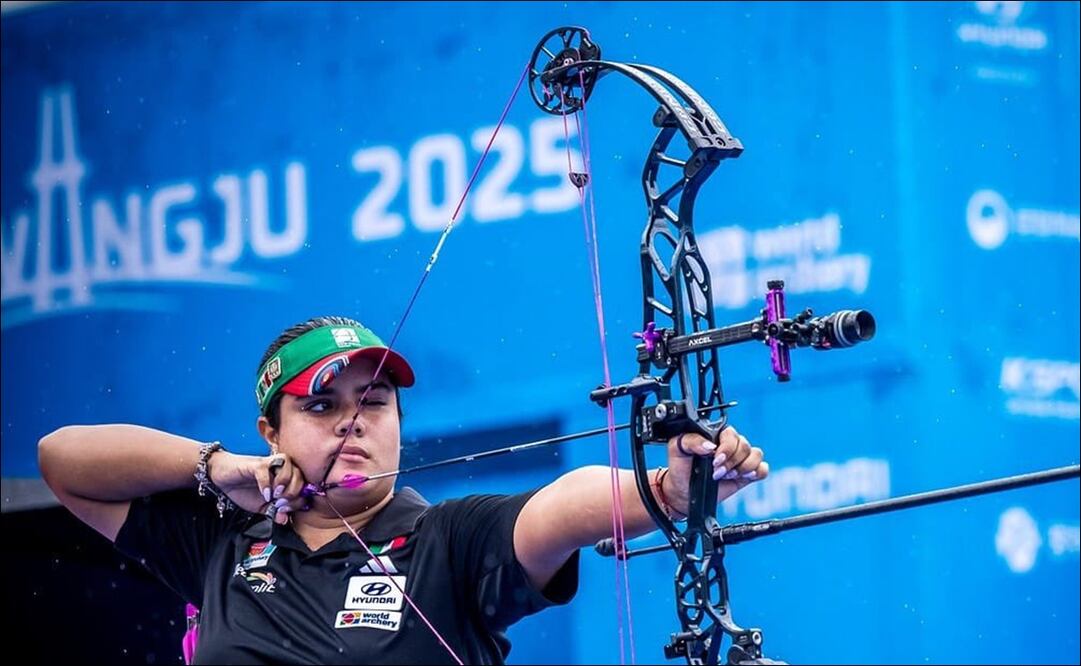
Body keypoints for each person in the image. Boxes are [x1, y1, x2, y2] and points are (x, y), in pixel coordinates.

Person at [38, 315, 769, 665]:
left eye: (374, 403)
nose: (352, 423)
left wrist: (673, 488)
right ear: (271, 430)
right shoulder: (223, 540)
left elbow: (562, 508)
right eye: (321, 406)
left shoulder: (447, 541)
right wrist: (216, 467)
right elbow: (63, 461)